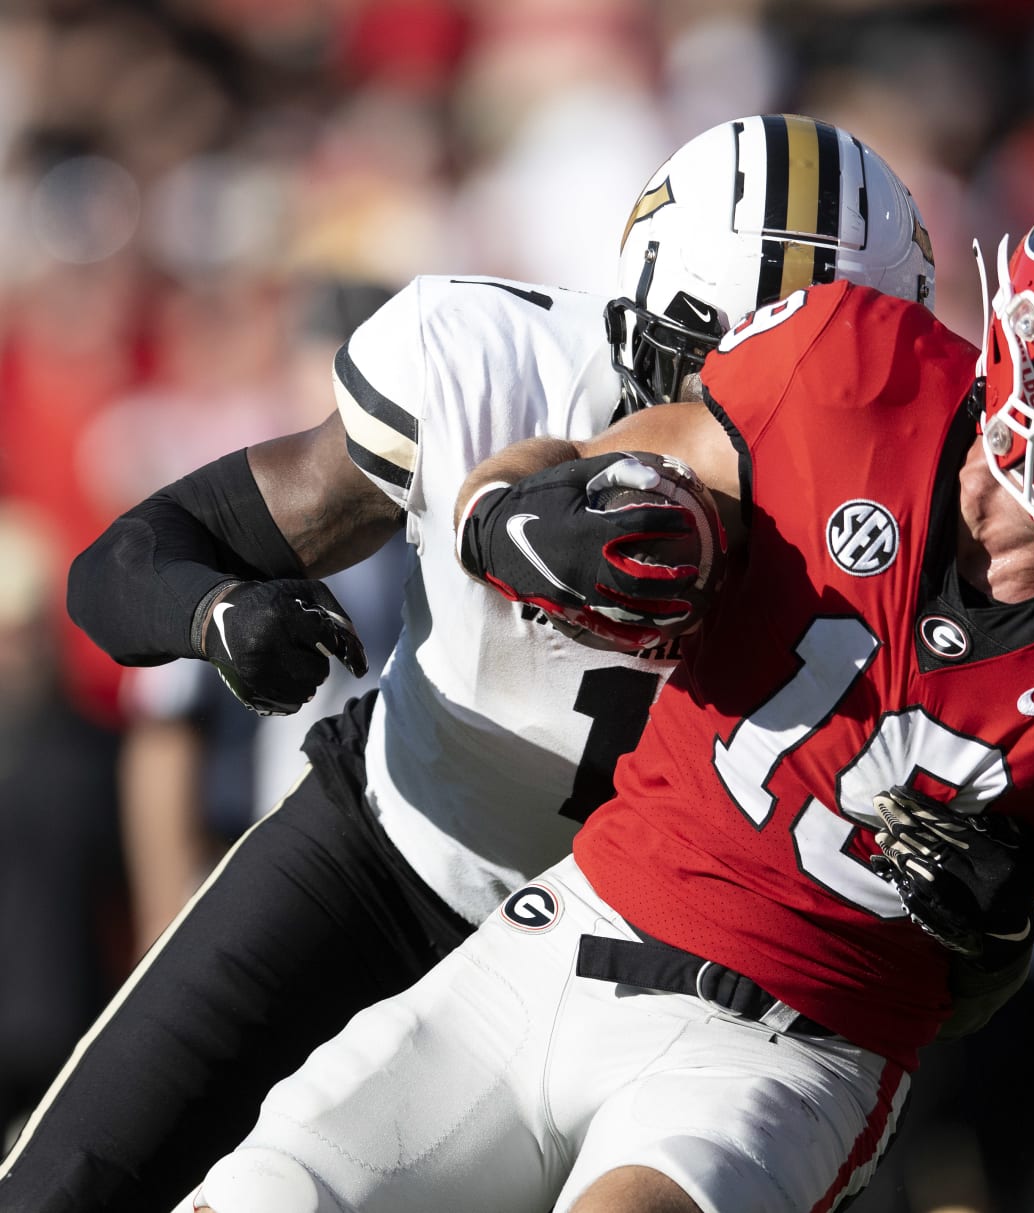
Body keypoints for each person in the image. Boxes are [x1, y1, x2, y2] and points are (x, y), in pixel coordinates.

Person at [185, 175, 1034, 1213]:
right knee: (269, 1189)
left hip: (786, 1054)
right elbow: (557, 467)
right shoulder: (847, 373)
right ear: (1027, 344)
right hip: (568, 933)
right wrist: (505, 520)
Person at [4, 114, 935, 1213]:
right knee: (70, 1184)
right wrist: (219, 613)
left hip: (662, 968)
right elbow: (127, 562)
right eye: (738, 372)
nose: (765, 426)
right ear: (643, 319)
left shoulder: (922, 524)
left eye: (821, 384)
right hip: (390, 863)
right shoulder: (492, 367)